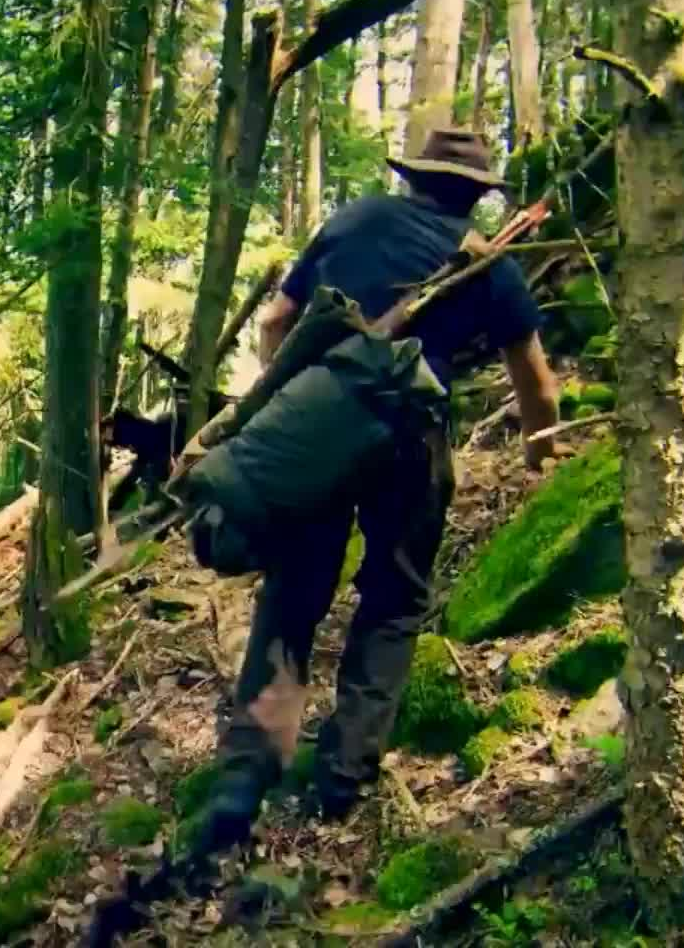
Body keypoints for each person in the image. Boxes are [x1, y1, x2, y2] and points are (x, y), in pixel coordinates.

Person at [189, 127, 565, 855]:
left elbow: (276, 320)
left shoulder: (354, 220)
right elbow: (537, 382)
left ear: (414, 178)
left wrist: (293, 396)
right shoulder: (487, 262)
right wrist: (538, 449)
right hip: (412, 438)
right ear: (474, 196)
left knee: (296, 590)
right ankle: (344, 775)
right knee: (393, 602)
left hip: (321, 427)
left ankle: (244, 775)